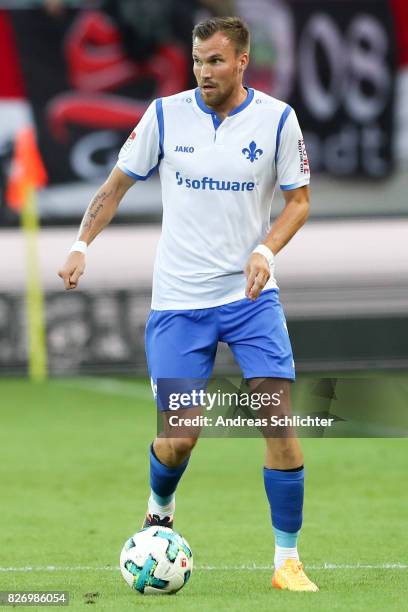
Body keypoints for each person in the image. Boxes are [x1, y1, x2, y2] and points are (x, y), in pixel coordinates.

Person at [58, 16, 318, 592]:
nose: (205, 72)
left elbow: (299, 201)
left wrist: (266, 251)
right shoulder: (163, 115)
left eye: (217, 61)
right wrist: (81, 244)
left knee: (278, 419)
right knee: (180, 434)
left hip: (250, 299)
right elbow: (116, 185)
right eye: (199, 61)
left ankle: (287, 561)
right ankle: (159, 508)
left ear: (242, 61)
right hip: (178, 302)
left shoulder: (277, 119)